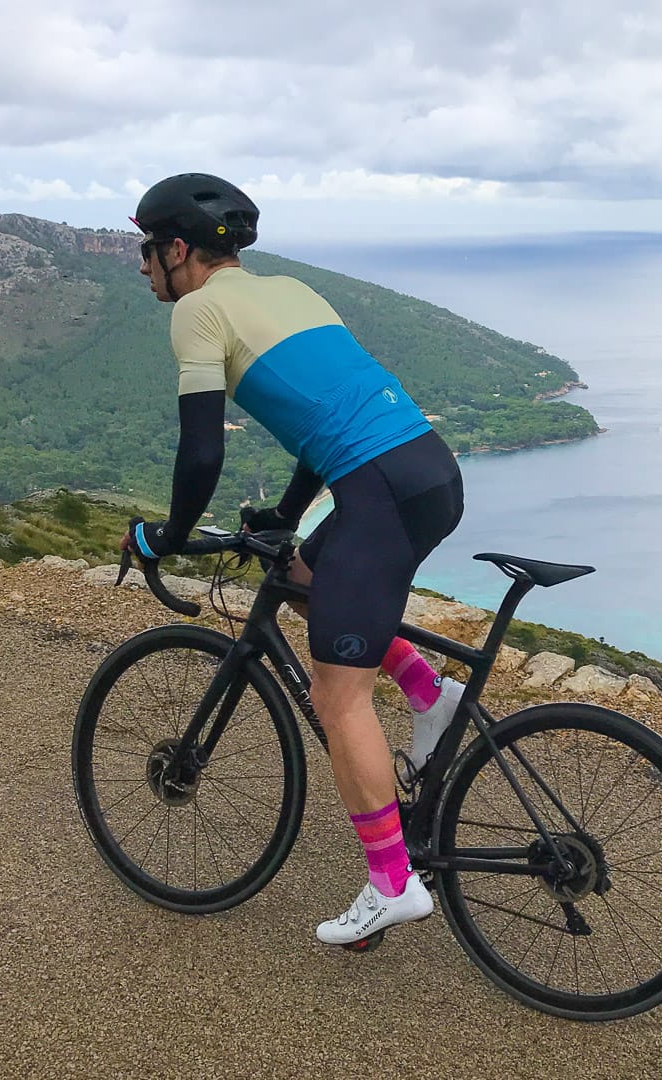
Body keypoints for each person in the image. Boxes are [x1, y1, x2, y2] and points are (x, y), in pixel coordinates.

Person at [122, 172, 464, 944]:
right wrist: (284, 512)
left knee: (335, 697)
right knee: (310, 578)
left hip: (376, 495)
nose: (143, 267)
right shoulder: (295, 291)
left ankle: (391, 883)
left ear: (179, 250)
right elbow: (327, 418)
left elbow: (201, 452)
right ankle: (426, 694)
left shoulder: (199, 314)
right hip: (428, 474)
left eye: (148, 250)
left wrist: (169, 536)